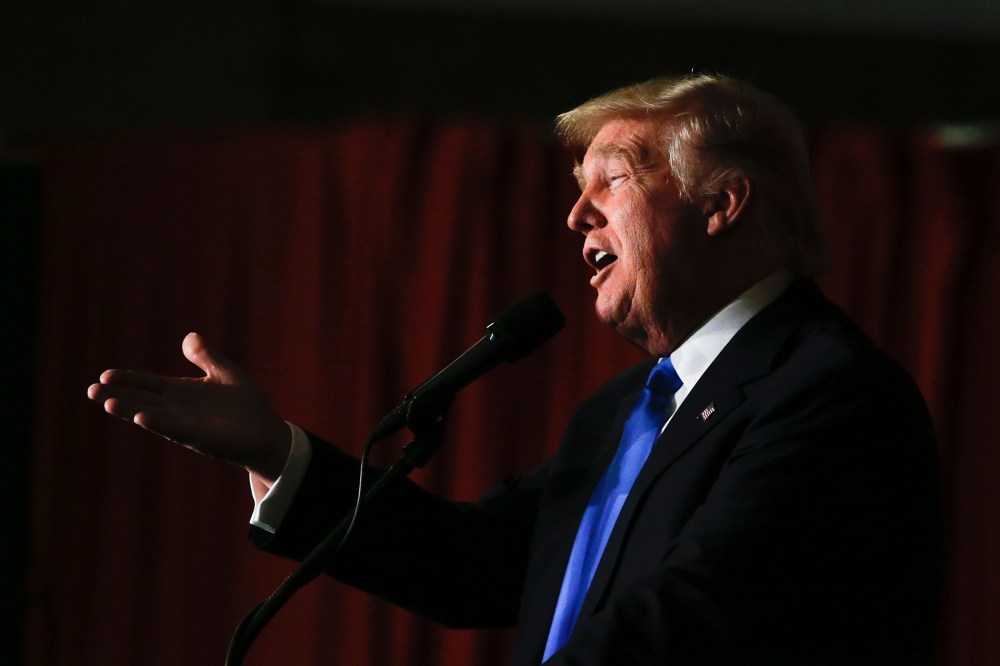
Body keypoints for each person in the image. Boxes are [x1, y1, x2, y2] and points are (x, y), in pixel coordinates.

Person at [88, 74, 941, 665]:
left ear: (721, 203)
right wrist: (274, 452)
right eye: (577, 186)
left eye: (610, 181)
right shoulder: (624, 412)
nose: (576, 214)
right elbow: (475, 565)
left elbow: (693, 619)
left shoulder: (830, 392)